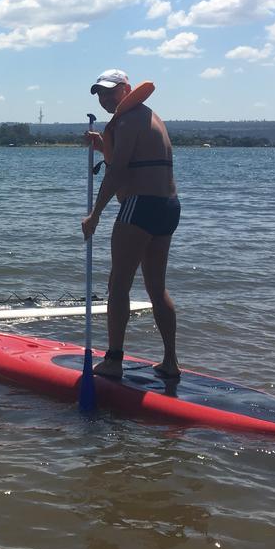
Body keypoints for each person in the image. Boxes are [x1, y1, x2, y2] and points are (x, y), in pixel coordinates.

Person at [80, 69, 180, 380]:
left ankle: (113, 360)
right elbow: (136, 157)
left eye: (111, 91)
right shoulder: (149, 116)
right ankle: (170, 362)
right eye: (100, 94)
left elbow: (119, 171)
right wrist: (103, 146)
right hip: (168, 206)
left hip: (140, 205)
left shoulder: (127, 119)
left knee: (118, 284)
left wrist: (94, 214)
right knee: (155, 286)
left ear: (127, 88)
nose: (105, 98)